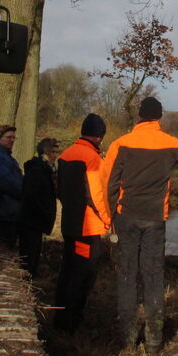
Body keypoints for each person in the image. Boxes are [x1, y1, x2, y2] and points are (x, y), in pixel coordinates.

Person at [104, 97, 178, 353]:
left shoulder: (121, 143)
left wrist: (111, 220)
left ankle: (128, 339)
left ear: (139, 116)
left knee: (127, 275)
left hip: (126, 216)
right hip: (155, 219)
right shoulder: (172, 145)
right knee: (154, 277)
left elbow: (110, 184)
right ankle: (154, 341)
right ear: (159, 118)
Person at [54, 114, 111, 333]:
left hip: (69, 223)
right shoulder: (93, 159)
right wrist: (108, 220)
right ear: (99, 136)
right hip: (88, 227)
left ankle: (60, 318)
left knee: (67, 270)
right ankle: (72, 322)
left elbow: (59, 189)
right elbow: (96, 195)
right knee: (83, 274)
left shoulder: (66, 154)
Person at [19, 137, 59, 276]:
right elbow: (31, 197)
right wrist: (44, 213)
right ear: (45, 153)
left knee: (33, 259)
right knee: (29, 259)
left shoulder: (46, 171)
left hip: (37, 222)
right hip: (32, 222)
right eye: (53, 152)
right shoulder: (37, 171)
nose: (55, 156)